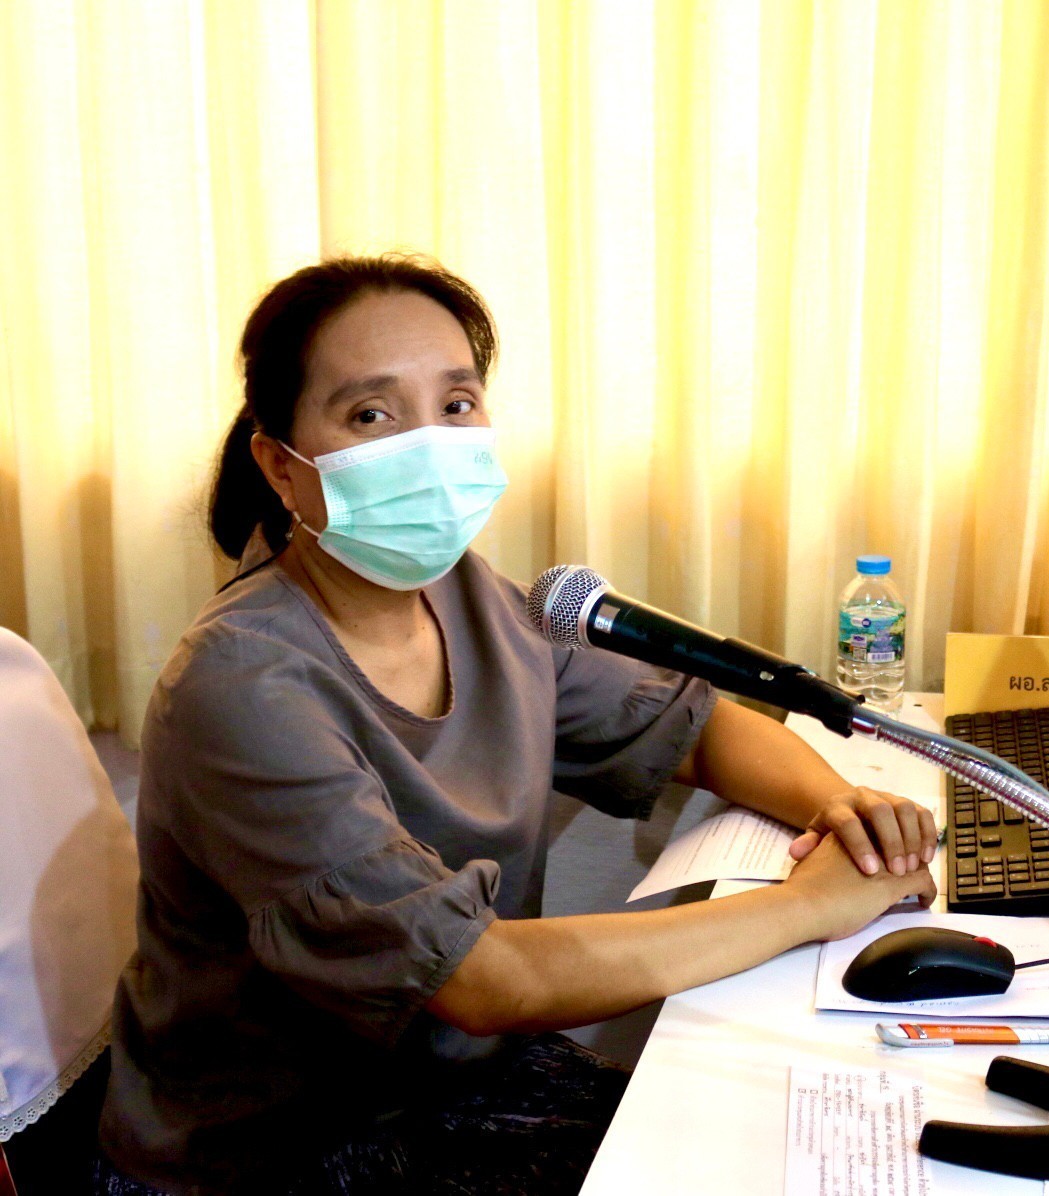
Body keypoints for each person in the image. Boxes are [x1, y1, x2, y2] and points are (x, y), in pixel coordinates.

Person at [95, 255, 937, 1195]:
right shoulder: (240, 686)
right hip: (282, 1154)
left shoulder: (470, 597)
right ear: (279, 466)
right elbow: (481, 980)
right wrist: (810, 906)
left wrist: (842, 808)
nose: (429, 442)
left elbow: (695, 729)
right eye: (372, 415)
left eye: (455, 404)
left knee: (773, 1133)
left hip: (459, 1087)